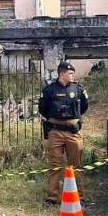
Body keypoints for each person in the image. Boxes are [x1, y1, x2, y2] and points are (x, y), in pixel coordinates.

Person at [38, 61, 89, 206]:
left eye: (73, 73)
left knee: (75, 165)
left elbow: (84, 107)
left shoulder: (78, 89)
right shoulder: (49, 90)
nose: (73, 75)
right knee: (55, 165)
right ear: (62, 74)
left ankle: (79, 197)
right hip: (55, 132)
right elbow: (43, 109)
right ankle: (52, 198)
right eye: (70, 73)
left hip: (73, 132)